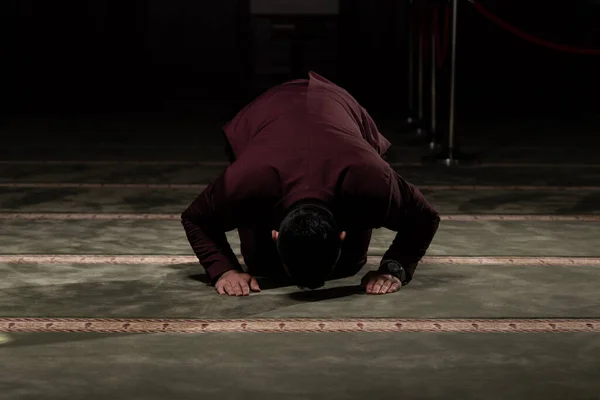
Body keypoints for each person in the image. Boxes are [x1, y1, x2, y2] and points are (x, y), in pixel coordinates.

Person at [181, 72, 440, 296]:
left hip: (338, 108)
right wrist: (225, 269)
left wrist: (394, 267)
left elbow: (425, 217)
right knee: (261, 263)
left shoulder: (370, 180)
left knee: (350, 263)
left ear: (343, 232)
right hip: (267, 111)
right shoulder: (249, 180)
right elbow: (196, 217)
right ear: (275, 233)